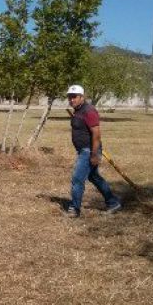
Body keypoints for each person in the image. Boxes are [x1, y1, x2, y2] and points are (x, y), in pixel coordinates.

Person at [65, 85, 121, 218]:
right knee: (94, 177)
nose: (71, 100)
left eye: (74, 97)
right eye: (70, 97)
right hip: (83, 150)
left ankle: (74, 209)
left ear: (81, 97)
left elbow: (96, 134)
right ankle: (113, 203)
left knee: (77, 179)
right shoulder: (78, 110)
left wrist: (94, 154)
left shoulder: (89, 111)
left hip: (89, 150)